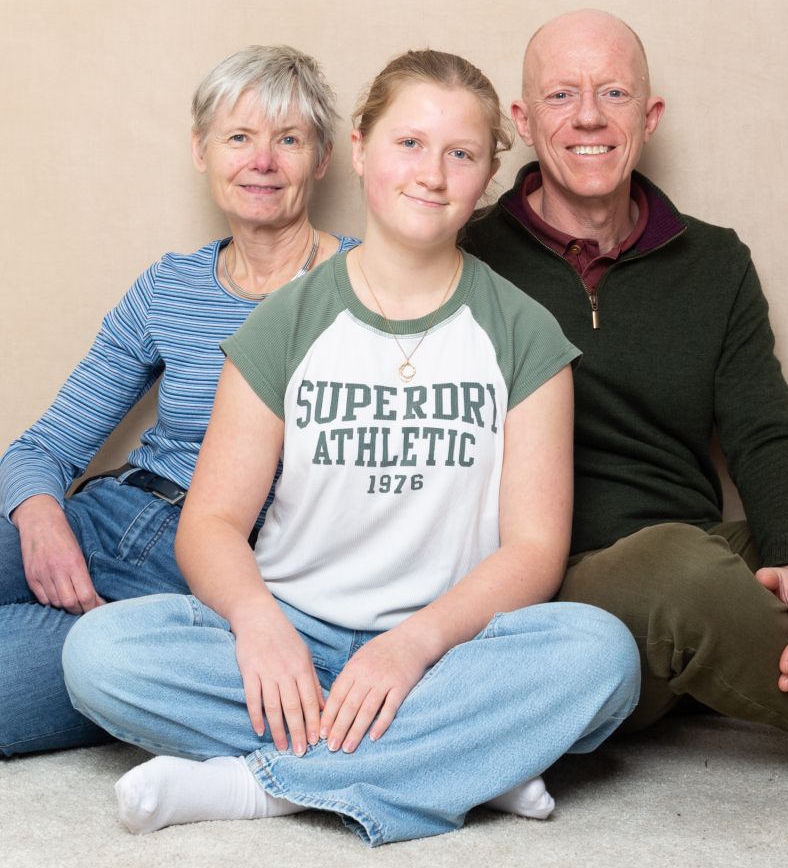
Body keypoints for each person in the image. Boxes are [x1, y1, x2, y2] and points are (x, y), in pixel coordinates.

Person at [62, 49, 640, 845]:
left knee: (600, 657)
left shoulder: (522, 332)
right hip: (294, 633)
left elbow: (536, 547)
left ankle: (259, 787)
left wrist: (411, 646)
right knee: (100, 654)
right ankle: (464, 761)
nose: (431, 174)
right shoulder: (284, 322)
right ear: (362, 148)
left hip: (448, 649)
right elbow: (212, 522)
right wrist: (260, 625)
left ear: (484, 179)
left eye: (460, 154)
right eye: (408, 143)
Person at [463, 9, 788, 753]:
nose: (588, 116)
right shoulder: (469, 259)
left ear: (649, 116)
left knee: (749, 552)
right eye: (561, 96)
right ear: (524, 121)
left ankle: (718, 642)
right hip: (559, 585)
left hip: (699, 553)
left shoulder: (715, 262)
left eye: (613, 94)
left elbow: (765, 436)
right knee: (680, 571)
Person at [0, 45, 359, 757]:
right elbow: (42, 447)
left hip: (206, 576)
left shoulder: (364, 289)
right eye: (238, 137)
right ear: (202, 151)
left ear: (321, 159)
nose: (261, 161)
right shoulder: (169, 287)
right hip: (105, 516)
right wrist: (39, 516)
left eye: (287, 139)